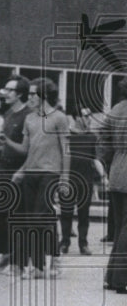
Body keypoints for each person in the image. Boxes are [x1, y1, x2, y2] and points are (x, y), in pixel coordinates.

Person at [7, 78, 70, 278]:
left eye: (34, 94)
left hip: (50, 172)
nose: (30, 97)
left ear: (44, 95)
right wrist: (6, 142)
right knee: (35, 218)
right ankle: (51, 260)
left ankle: (39, 266)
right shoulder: (30, 119)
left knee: (38, 217)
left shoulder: (59, 118)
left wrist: (65, 178)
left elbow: (66, 149)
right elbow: (27, 150)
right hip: (31, 172)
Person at [0, 75, 31, 274]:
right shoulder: (8, 114)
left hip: (18, 168)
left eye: (9, 89)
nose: (5, 93)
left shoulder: (28, 116)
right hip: (2, 166)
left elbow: (27, 149)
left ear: (20, 94)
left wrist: (7, 143)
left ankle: (18, 260)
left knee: (17, 216)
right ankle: (6, 252)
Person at [98, 78, 127, 292]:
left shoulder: (117, 108)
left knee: (119, 227)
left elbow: (103, 142)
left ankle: (111, 276)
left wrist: (110, 164)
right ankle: (121, 279)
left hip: (117, 170)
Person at [60, 107, 100, 256]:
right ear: (76, 118)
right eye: (85, 115)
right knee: (66, 213)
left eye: (90, 115)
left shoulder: (92, 137)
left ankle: (83, 243)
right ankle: (64, 242)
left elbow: (95, 159)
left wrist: (104, 177)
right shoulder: (67, 136)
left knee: (84, 214)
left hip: (86, 180)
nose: (89, 118)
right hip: (69, 179)